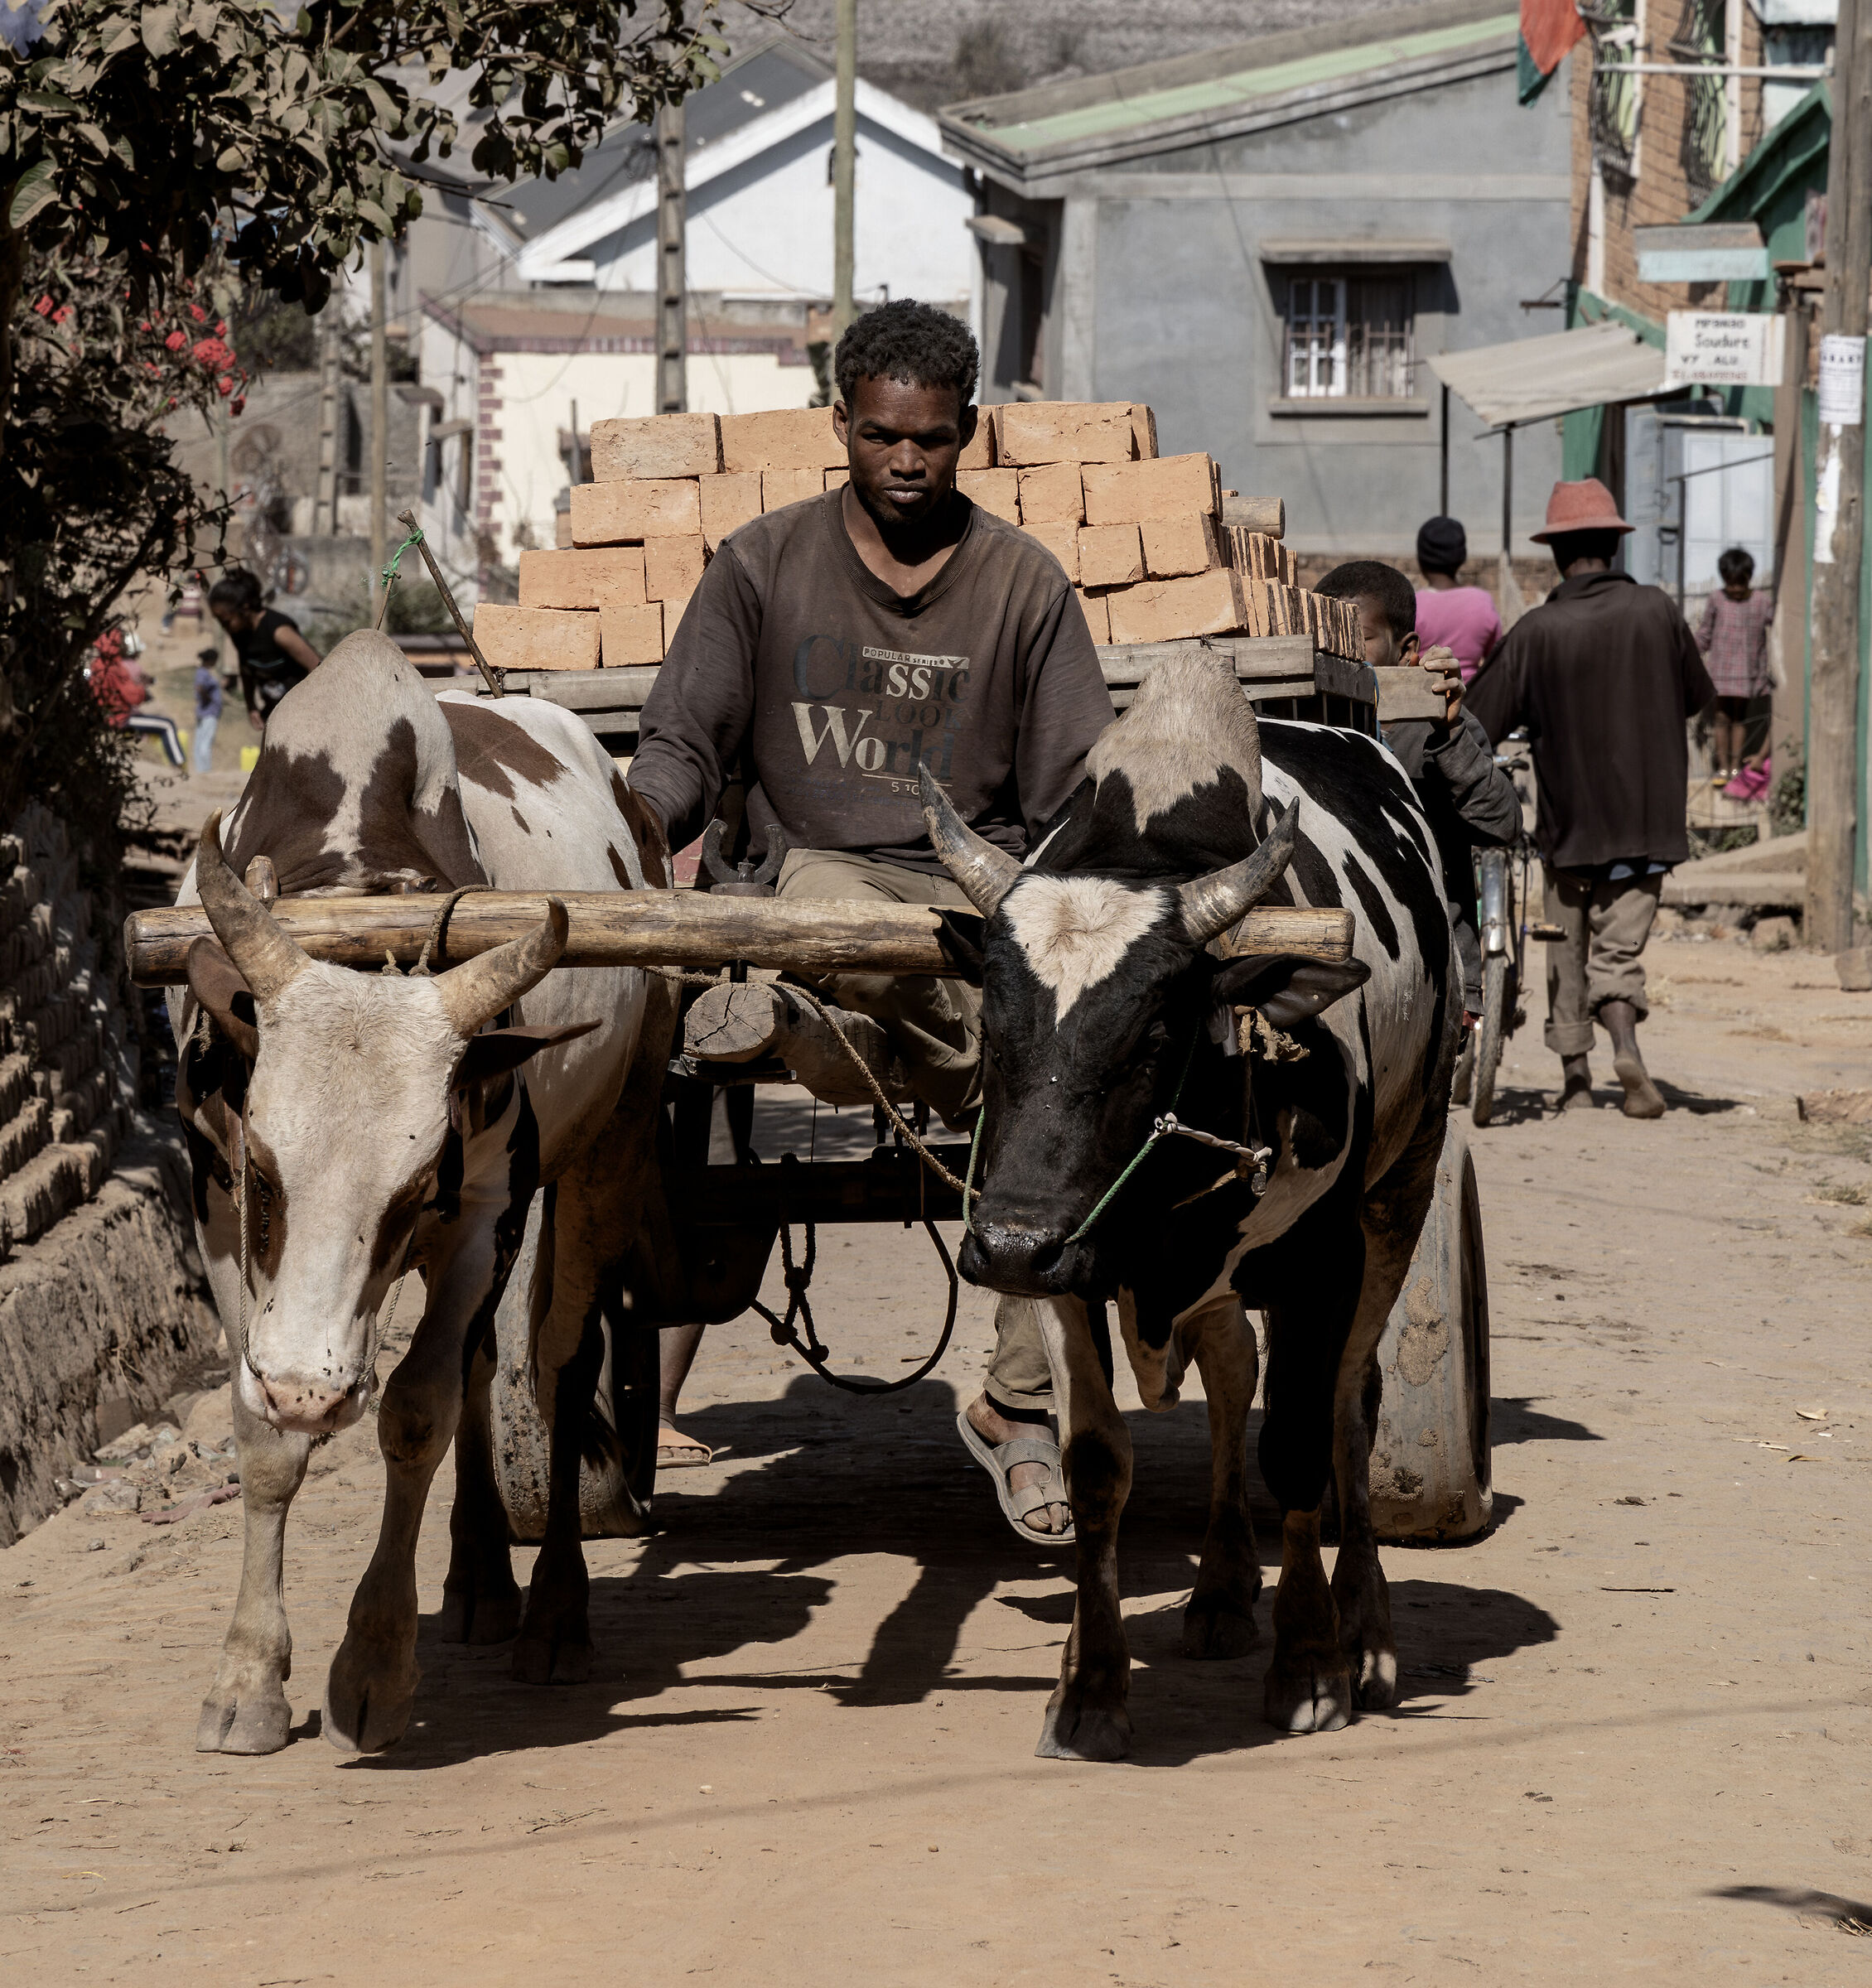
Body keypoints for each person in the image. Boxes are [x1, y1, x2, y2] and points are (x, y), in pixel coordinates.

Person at [627, 299, 1113, 1530]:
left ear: (971, 437)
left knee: (1044, 1072)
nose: (908, 463)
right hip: (811, 889)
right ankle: (831, 1019)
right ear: (840, 423)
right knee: (830, 905)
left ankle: (1014, 1400)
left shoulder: (1024, 586)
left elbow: (1071, 801)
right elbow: (686, 740)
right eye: (885, 436)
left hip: (977, 906)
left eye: (935, 441)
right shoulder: (764, 564)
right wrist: (636, 826)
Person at [1467, 479, 1715, 1119]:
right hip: (1645, 825)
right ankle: (1627, 1047)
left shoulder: (1536, 630)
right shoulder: (1659, 610)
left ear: (1555, 555)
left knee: (1564, 948)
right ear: (1614, 546)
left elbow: (1478, 723)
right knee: (1619, 951)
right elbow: (1695, 697)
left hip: (1568, 828)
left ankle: (1576, 1078)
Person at [1315, 561, 1520, 1022]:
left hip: (1432, 962)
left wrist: (1448, 736)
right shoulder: (1309, 728)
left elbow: (1502, 824)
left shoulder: (1439, 730)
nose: (1340, 652)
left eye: (1360, 637)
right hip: (1338, 963)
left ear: (1407, 650)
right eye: (1326, 636)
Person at [1696, 547, 1773, 780]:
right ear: (1724, 579)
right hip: (1721, 671)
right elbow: (1705, 634)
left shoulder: (1762, 601)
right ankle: (1722, 766)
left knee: (1740, 717)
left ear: (1749, 578)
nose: (1737, 590)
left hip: (1748, 672)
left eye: (1741, 583)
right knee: (1721, 717)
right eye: (1731, 584)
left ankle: (1735, 767)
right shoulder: (1716, 599)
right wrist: (1688, 655)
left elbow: (1780, 626)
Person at [207, 570, 321, 729]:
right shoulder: (239, 633)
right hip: (275, 714)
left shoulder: (279, 632)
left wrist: (314, 711)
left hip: (305, 716)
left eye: (226, 621)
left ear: (245, 609)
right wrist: (251, 707)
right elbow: (246, 669)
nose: (223, 627)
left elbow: (318, 668)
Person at [1413, 514, 1503, 684]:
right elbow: (1496, 660)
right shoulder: (1482, 601)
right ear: (1461, 557)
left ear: (1420, 559)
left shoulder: (1414, 605)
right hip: (1473, 700)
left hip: (1426, 697)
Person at [86, 630, 185, 769]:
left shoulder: (96, 664)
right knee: (167, 725)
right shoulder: (115, 668)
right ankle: (179, 766)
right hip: (120, 719)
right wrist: (142, 690)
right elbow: (132, 696)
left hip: (104, 717)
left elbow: (88, 681)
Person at [192, 646, 224, 773]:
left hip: (205, 712)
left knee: (200, 742)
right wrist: (209, 699)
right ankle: (205, 770)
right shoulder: (203, 672)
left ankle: (201, 769)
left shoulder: (203, 672)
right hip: (208, 712)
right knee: (205, 742)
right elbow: (199, 688)